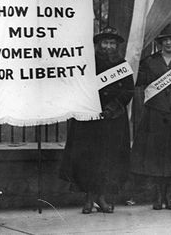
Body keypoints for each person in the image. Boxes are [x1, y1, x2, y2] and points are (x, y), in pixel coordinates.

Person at [59, 26, 134, 214]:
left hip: (113, 119)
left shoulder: (122, 65)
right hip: (89, 120)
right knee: (88, 160)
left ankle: (101, 198)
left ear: (116, 46)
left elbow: (128, 90)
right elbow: (77, 88)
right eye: (105, 43)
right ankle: (89, 198)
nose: (108, 47)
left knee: (109, 159)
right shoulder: (87, 64)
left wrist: (111, 108)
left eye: (112, 43)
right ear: (98, 45)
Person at [130, 24, 171, 210]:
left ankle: (169, 195)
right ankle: (158, 195)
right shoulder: (149, 62)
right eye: (165, 40)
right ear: (159, 43)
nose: (168, 43)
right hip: (155, 113)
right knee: (157, 155)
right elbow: (138, 82)